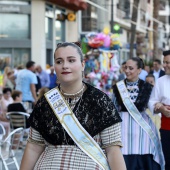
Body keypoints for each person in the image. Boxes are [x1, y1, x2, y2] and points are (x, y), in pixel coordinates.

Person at [20, 42, 126, 170]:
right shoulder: (45, 102)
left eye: (71, 60)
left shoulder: (100, 101)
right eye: (59, 62)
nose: (65, 66)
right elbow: (33, 147)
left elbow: (113, 150)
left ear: (82, 65)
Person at [112, 57, 164, 170]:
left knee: (145, 156)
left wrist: (159, 106)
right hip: (122, 129)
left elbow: (153, 105)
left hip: (143, 130)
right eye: (126, 67)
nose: (127, 71)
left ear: (139, 70)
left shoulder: (148, 88)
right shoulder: (117, 87)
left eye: (131, 68)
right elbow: (113, 109)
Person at [148, 50, 170, 170]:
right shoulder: (161, 81)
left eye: (168, 62)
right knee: (168, 161)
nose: (165, 65)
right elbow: (152, 101)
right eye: (164, 62)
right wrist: (161, 108)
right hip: (167, 129)